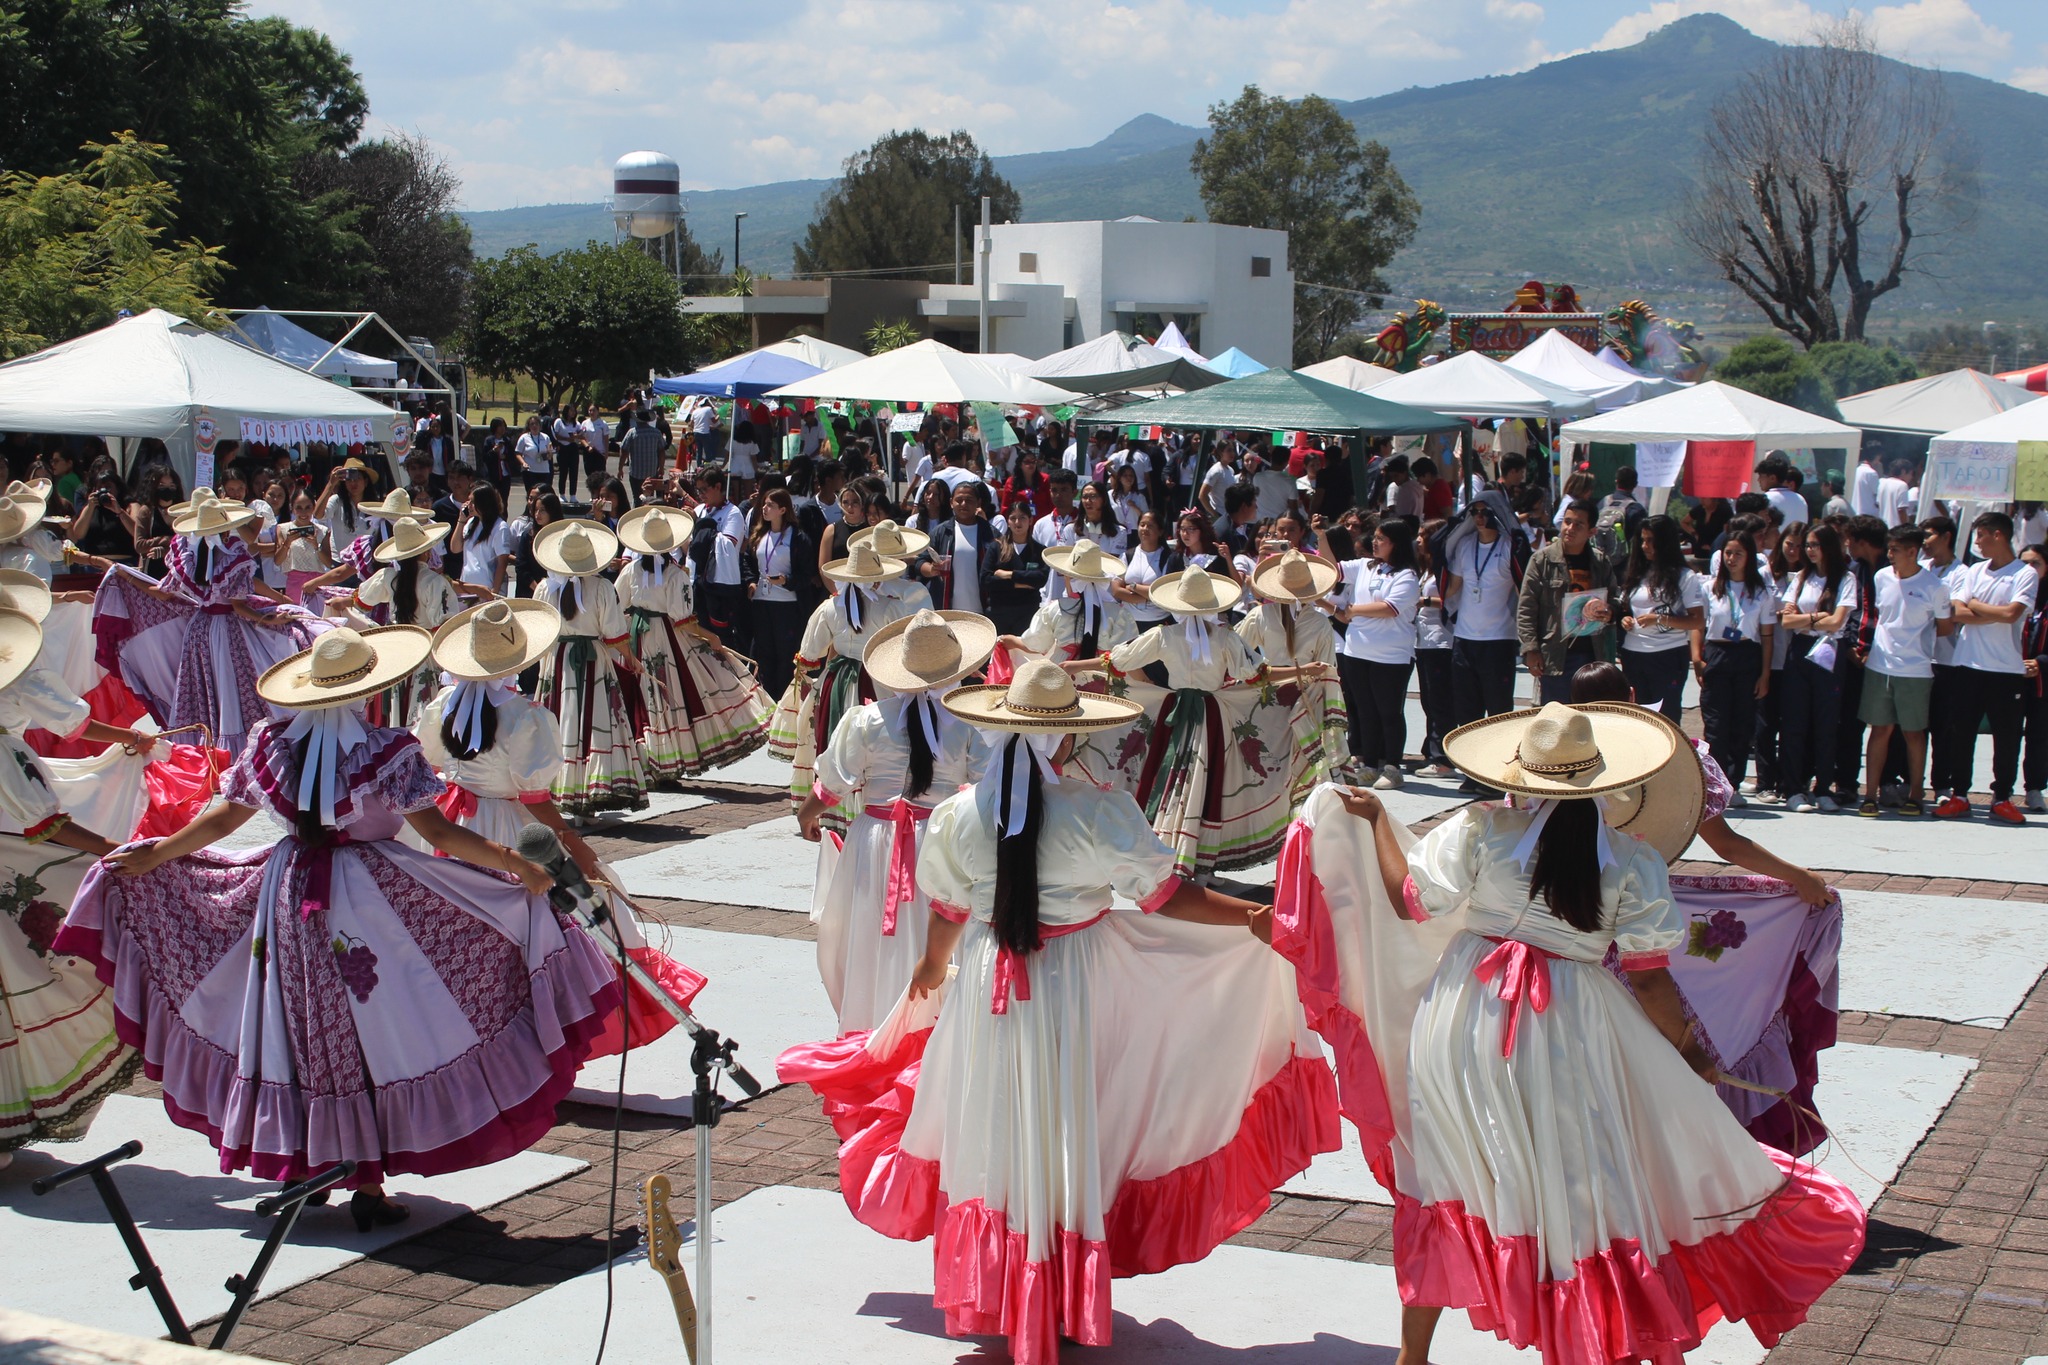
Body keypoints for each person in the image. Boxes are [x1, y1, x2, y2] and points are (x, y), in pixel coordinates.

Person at [779, 660, 1336, 1365]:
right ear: (1067, 739)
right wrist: (1254, 917)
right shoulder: (1099, 809)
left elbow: (948, 911)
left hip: (989, 981)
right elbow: (1168, 897)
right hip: (1075, 981)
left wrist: (928, 969)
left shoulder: (959, 814)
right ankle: (1060, 1290)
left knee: (996, 1123)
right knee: (1068, 1123)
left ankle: (1005, 1290)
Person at [1287, 702, 1863, 1365]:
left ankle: (1412, 1356)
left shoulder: (1479, 827)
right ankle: (1589, 1340)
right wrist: (1693, 1052)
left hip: (1463, 1018)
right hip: (1570, 1024)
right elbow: (1649, 982)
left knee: (1456, 1172)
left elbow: (1408, 899)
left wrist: (1374, 824)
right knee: (1580, 1190)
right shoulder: (1632, 860)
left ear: (1521, 775)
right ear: (1600, 781)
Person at [61, 626, 623, 1226]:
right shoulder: (388, 748)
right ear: (368, 690)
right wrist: (515, 864)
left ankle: (311, 1162)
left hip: (288, 892)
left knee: (298, 1022)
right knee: (382, 1026)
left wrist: (155, 854)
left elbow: (225, 818)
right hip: (374, 898)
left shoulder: (270, 743)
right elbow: (440, 835)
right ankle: (364, 1182)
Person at [0, 599, 154, 1161]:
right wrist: (115, 850)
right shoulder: (6, 751)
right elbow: (49, 825)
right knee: (38, 976)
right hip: (11, 855)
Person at [796, 609, 996, 1033]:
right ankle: (936, 1030)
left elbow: (832, 781)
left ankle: (873, 1024)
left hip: (876, 840)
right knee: (941, 926)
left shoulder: (867, 720)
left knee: (873, 933)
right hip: (942, 839)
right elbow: (985, 791)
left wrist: (807, 814)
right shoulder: (971, 725)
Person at [1099, 565, 1313, 877]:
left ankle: (1160, 856)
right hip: (1212, 715)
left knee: (1168, 777)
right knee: (1208, 781)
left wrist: (1077, 665)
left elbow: (1118, 662)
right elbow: (1255, 676)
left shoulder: (1164, 635)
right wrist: (1303, 672)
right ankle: (1200, 866)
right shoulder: (1225, 638)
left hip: (1175, 713)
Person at [615, 504, 771, 781]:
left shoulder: (632, 571)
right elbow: (682, 619)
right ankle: (666, 761)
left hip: (637, 636)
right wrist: (712, 638)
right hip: (665, 637)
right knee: (669, 695)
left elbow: (619, 604)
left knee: (644, 695)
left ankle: (650, 763)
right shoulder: (676, 574)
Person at [772, 543, 929, 818]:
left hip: (838, 680)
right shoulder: (891, 608)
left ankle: (831, 806)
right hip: (878, 679)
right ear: (877, 577)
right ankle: (867, 805)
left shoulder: (829, 607)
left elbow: (809, 656)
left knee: (836, 739)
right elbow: (903, 652)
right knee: (878, 739)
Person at [532, 519, 648, 818]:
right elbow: (614, 632)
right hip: (592, 661)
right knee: (593, 725)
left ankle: (556, 794)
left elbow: (537, 629)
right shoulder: (601, 587)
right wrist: (632, 661)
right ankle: (586, 799)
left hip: (557, 660)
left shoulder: (546, 587)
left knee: (559, 722)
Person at [1940, 511, 2039, 823]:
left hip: (2007, 670)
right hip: (1967, 665)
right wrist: (1990, 611)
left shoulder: (2024, 574)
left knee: (2007, 736)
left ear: (1997, 535)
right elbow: (1956, 610)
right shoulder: (1974, 571)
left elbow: (2012, 614)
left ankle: (2002, 797)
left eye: (1980, 536)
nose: (1977, 543)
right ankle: (1959, 795)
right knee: (1961, 733)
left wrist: (1977, 606)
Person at [1852, 523, 1950, 817]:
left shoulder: (1935, 587)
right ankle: (1870, 794)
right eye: (1889, 548)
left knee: (1914, 733)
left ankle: (1916, 795)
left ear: (1912, 551)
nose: (1890, 554)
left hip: (1916, 671)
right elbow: (1878, 615)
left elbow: (1945, 628)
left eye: (1895, 549)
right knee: (1879, 730)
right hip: (1880, 666)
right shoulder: (1882, 577)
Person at [1442, 492, 1526, 789]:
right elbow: (1452, 588)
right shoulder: (1464, 546)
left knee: (1498, 710)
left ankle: (1496, 773)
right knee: (1467, 710)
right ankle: (1471, 771)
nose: (1479, 517)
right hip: (1464, 639)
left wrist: (1528, 636)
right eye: (1474, 512)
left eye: (1485, 512)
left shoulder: (1509, 548)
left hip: (1498, 640)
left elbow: (1522, 592)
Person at [1777, 523, 1858, 812]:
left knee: (1826, 723)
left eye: (1814, 545)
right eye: (1806, 545)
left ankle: (1823, 787)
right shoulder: (1801, 577)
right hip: (1800, 650)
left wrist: (1807, 618)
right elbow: (1786, 621)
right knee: (1795, 722)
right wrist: (1817, 617)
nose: (1809, 551)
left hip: (1827, 651)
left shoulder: (1845, 579)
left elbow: (1838, 622)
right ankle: (1793, 789)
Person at [354, 517, 463, 727]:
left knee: (394, 704)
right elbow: (446, 627)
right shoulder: (434, 582)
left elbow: (361, 602)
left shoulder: (389, 577)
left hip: (396, 650)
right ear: (426, 551)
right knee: (424, 713)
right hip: (424, 651)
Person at [1336, 523, 1419, 787]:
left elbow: (1389, 608)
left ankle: (1393, 767)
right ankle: (1369, 764)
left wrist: (1354, 610)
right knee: (1365, 711)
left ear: (1396, 543)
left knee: (1389, 712)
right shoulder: (1364, 566)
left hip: (1391, 656)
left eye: (1381, 539)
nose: (1375, 542)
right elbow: (1332, 569)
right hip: (1357, 651)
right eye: (1375, 537)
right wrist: (1320, 536)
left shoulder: (1406, 575)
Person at [1696, 530, 1777, 800]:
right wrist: (1696, 657)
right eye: (1728, 553)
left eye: (1738, 554)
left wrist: (1765, 673)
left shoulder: (1760, 592)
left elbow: (1767, 636)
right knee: (1716, 725)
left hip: (1747, 655)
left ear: (1749, 558)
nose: (1731, 559)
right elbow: (1698, 625)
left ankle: (1734, 783)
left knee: (1742, 725)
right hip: (1717, 653)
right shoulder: (1710, 587)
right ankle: (1715, 784)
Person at [1517, 499, 1616, 706]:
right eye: (1567, 522)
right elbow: (1526, 608)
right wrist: (1530, 649)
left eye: (1578, 524)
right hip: (1555, 656)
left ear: (1592, 531)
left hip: (1592, 654)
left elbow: (1614, 600)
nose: (1570, 528)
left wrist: (1609, 612)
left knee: (1591, 717)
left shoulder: (1600, 562)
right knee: (1556, 720)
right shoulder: (1541, 560)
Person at [1617, 514, 1707, 722]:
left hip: (1667, 655)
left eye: (1651, 540)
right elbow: (1626, 608)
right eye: (1642, 540)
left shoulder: (1685, 576)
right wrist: (1626, 620)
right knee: (1636, 716)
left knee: (1666, 719)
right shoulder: (1636, 572)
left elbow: (1696, 621)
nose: (1645, 546)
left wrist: (1659, 619)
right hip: (1633, 654)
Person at [1008, 539, 1137, 664]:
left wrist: (1012, 641)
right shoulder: (1118, 614)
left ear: (1069, 578)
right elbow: (1126, 657)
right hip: (1100, 671)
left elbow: (1036, 644)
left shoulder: (1057, 609)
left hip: (1061, 673)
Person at [749, 488, 816, 700]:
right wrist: (750, 582)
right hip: (761, 602)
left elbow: (807, 574)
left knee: (785, 655)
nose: (765, 508)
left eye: (770, 505)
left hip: (786, 605)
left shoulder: (797, 538)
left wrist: (787, 581)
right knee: (764, 653)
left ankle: (784, 701)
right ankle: (767, 699)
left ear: (783, 509)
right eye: (764, 504)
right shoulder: (760, 534)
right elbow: (749, 563)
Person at [685, 466, 753, 657]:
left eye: (704, 489)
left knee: (721, 639)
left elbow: (727, 547)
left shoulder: (733, 513)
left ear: (718, 487)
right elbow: (689, 548)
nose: (701, 494)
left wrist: (699, 526)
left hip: (718, 587)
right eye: (697, 490)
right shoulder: (698, 510)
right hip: (695, 582)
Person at [919, 482, 999, 613]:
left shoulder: (991, 534)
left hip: (983, 612)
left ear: (978, 503)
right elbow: (920, 561)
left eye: (969, 500)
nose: (963, 504)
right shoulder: (940, 532)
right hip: (946, 611)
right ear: (951, 502)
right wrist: (932, 569)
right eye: (959, 500)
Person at [986, 510, 1049, 637]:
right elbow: (986, 580)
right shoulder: (996, 548)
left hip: (1027, 613)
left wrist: (1009, 575)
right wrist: (1019, 584)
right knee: (999, 654)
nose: (1017, 522)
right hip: (1000, 612)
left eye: (1022, 518)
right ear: (1007, 521)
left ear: (1030, 520)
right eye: (1013, 518)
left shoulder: (1039, 550)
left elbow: (1040, 579)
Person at [449, 483, 513, 597]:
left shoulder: (499, 527)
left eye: (473, 502)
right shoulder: (471, 523)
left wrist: (495, 591)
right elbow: (455, 548)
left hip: (486, 587)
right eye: (469, 501)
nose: (469, 505)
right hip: (467, 586)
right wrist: (461, 521)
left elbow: (502, 563)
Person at [515, 416, 553, 499]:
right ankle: (529, 511)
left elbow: (549, 455)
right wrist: (523, 463)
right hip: (529, 470)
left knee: (542, 495)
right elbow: (518, 453)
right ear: (529, 426)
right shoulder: (524, 438)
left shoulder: (545, 437)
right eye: (532, 424)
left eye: (536, 424)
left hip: (543, 470)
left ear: (540, 425)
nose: (534, 426)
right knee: (531, 494)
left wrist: (549, 454)